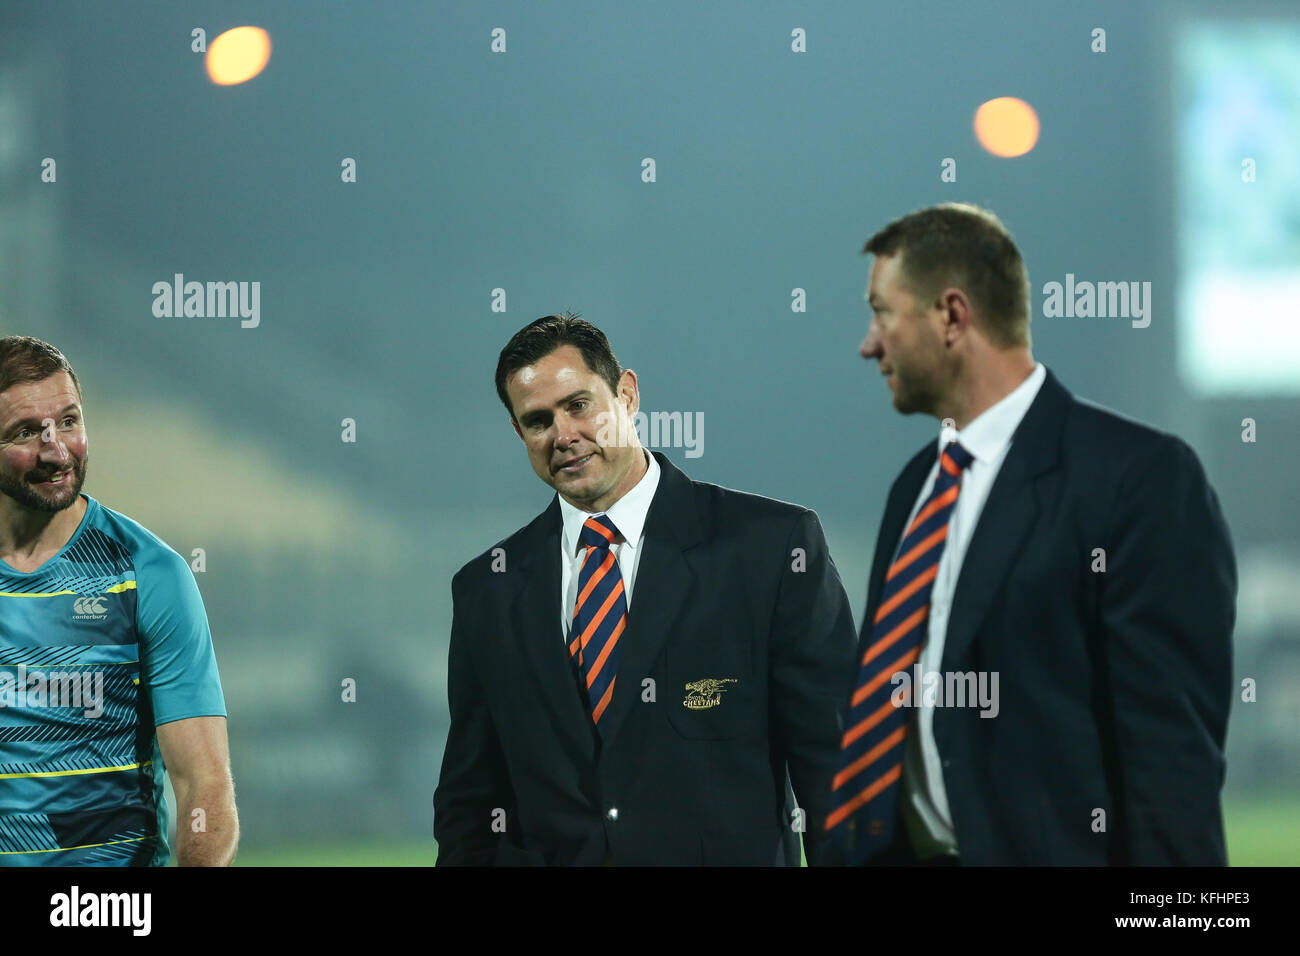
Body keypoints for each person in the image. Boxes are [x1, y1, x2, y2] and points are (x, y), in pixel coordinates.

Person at [826, 204, 1235, 865]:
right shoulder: (915, 486)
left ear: (951, 315)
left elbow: (1169, 759)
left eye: (883, 313)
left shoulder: (1136, 477)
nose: (868, 343)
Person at [434, 313, 857, 865]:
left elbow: (839, 770)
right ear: (519, 433)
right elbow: (471, 804)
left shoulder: (770, 549)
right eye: (538, 421)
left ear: (627, 395)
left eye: (578, 405)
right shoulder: (486, 591)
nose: (564, 435)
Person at [0, 336, 237, 866]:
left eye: (68, 421)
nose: (56, 450)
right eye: (25, 433)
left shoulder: (149, 573)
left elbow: (203, 784)